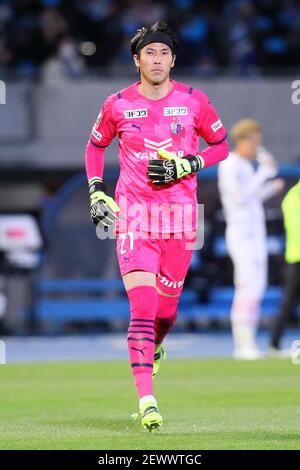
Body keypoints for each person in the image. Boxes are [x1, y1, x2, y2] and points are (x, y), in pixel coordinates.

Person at [85, 21, 229, 431]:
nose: (157, 59)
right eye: (150, 53)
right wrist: (97, 191)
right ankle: (147, 399)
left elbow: (221, 145)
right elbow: (94, 146)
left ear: (173, 59)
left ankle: (158, 347)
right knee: (144, 308)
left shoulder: (195, 101)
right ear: (137, 61)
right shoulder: (116, 104)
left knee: (166, 313)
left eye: (164, 53)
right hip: (135, 217)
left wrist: (190, 162)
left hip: (181, 221)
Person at [218, 119, 284, 360]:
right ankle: (242, 344)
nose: (257, 146)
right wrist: (264, 173)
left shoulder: (246, 166)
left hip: (256, 233)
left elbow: (252, 197)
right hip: (241, 233)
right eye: (255, 141)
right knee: (246, 286)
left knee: (258, 286)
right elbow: (238, 197)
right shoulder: (230, 164)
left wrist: (270, 187)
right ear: (244, 140)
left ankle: (250, 341)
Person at [269, 181, 300, 354]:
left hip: (294, 257)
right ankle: (274, 344)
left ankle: (274, 344)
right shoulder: (293, 198)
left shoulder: (291, 196)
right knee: (288, 304)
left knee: (288, 303)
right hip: (296, 258)